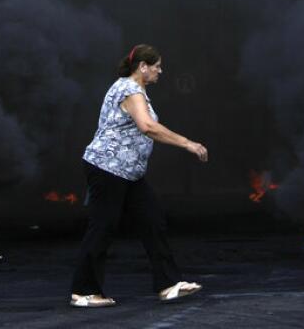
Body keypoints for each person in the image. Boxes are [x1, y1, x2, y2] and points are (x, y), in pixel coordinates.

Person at [69, 44, 209, 307]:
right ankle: (83, 292)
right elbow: (147, 127)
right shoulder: (130, 89)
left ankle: (168, 284)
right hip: (107, 169)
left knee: (152, 220)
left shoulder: (134, 89)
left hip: (128, 174)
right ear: (142, 67)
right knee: (103, 226)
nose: (160, 71)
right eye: (156, 67)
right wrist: (187, 143)